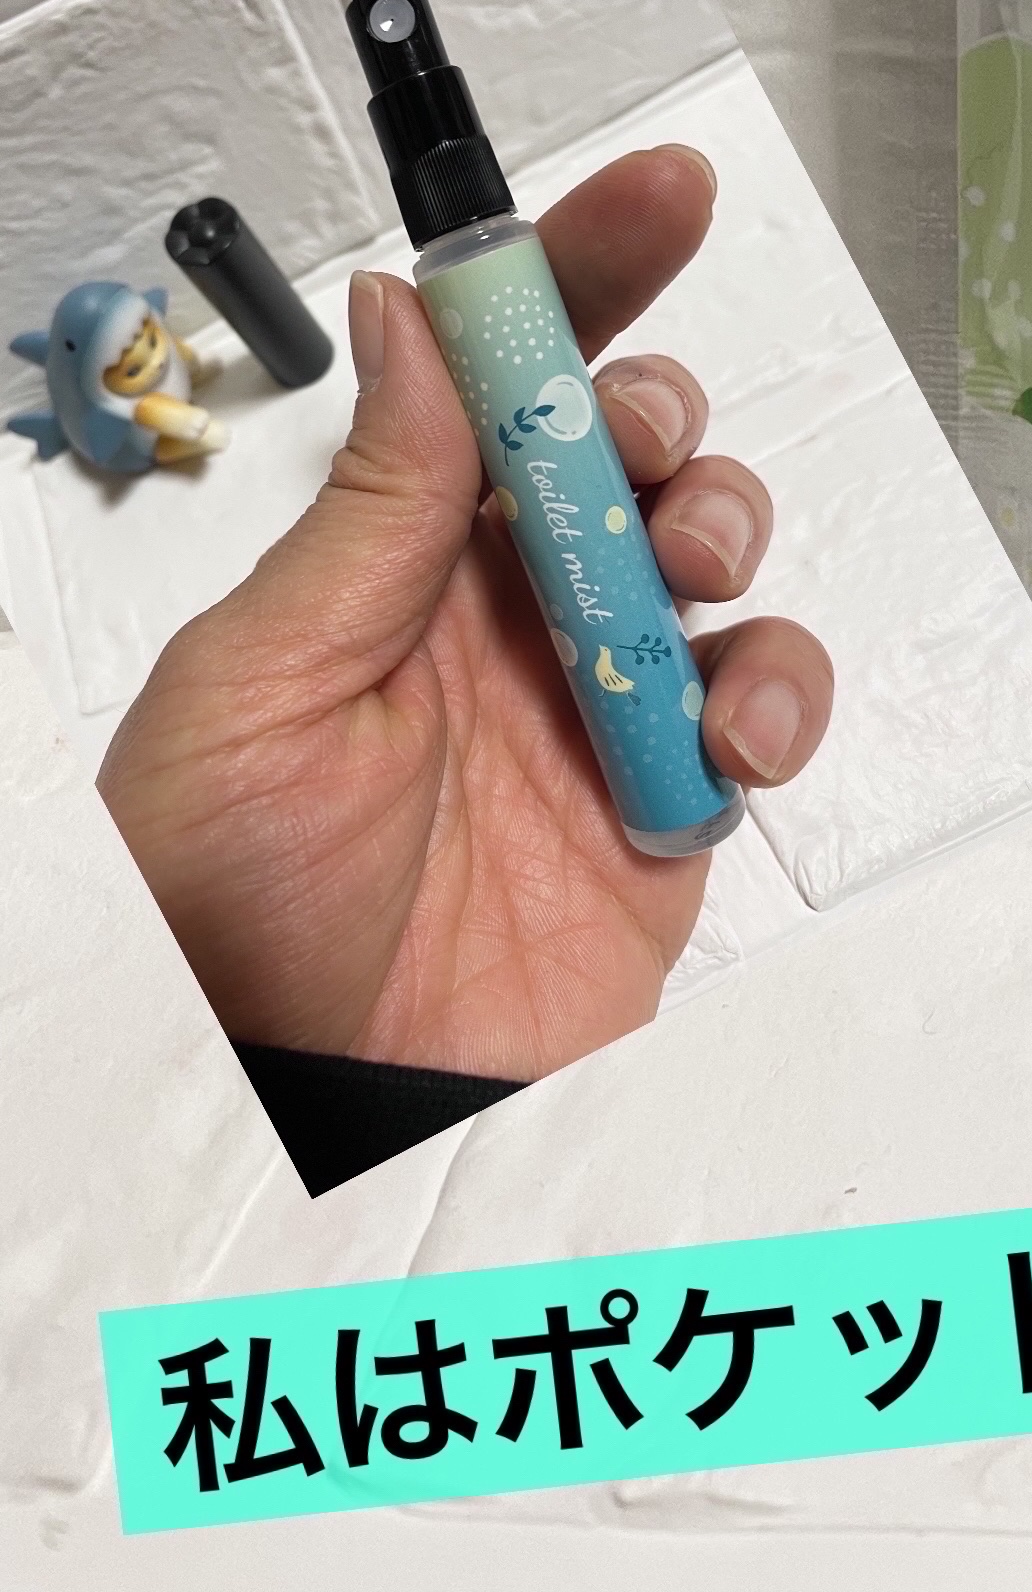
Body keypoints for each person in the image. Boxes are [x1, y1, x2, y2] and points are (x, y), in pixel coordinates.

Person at [97, 143, 832, 1187]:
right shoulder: (464, 276)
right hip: (378, 1082)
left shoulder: (485, 265)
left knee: (651, 484)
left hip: (493, 1003)